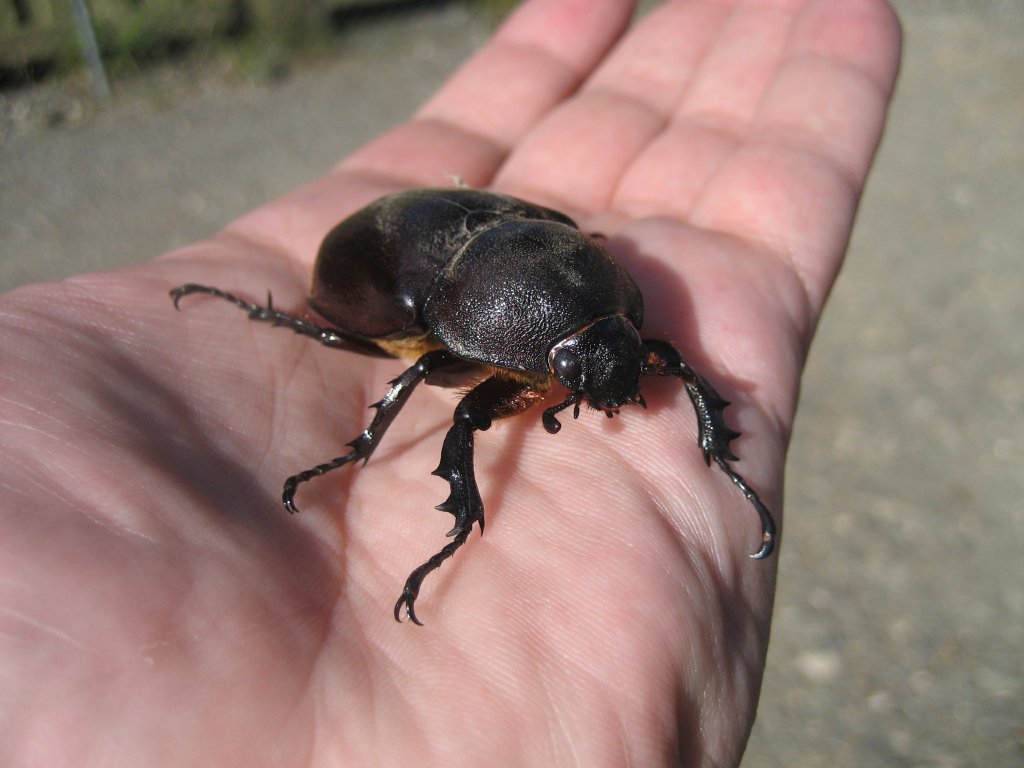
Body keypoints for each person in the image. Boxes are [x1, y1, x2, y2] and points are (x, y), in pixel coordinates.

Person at [0, 0, 900, 764]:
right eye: (584, 358)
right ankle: (413, 483)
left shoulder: (584, 277)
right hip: (392, 268)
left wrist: (720, 454)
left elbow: (670, 360)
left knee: (663, 364)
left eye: (613, 331)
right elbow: (453, 394)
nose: (616, 376)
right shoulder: (457, 337)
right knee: (410, 368)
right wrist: (364, 452)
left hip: (499, 256)